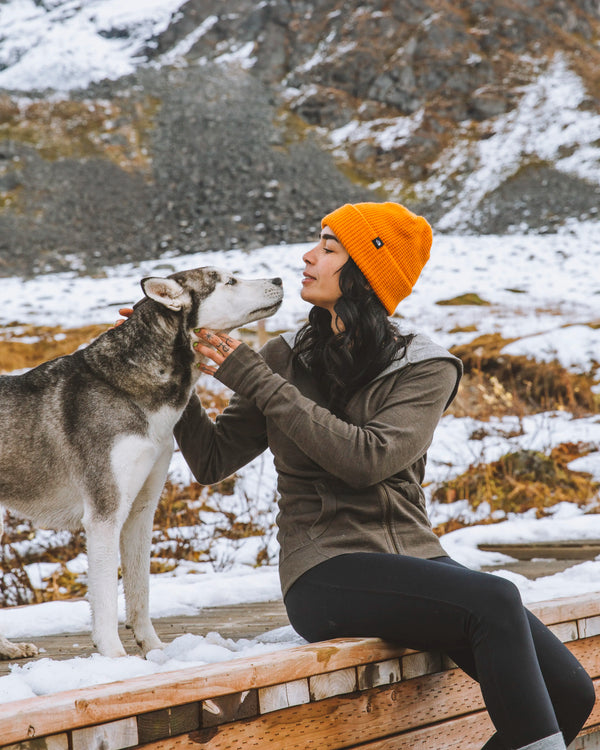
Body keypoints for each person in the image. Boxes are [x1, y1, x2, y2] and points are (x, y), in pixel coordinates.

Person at [149, 202, 594, 750]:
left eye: (329, 248)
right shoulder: (285, 357)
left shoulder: (426, 367)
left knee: (573, 695)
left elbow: (368, 460)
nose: (308, 257)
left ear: (365, 272)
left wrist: (255, 379)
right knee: (495, 598)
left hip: (417, 561)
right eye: (317, 243)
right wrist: (174, 363)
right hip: (324, 570)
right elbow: (211, 459)